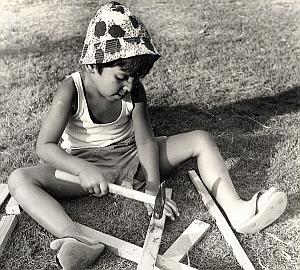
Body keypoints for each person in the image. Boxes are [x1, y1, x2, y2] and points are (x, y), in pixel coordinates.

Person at [8, 1, 287, 269]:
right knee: (19, 179)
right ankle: (74, 236)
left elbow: (144, 140)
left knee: (200, 138)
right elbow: (44, 146)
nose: (129, 86)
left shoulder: (133, 90)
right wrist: (81, 169)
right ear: (94, 65)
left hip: (132, 160)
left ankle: (237, 211)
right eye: (120, 77)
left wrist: (153, 185)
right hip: (86, 169)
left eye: (135, 78)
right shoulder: (70, 91)